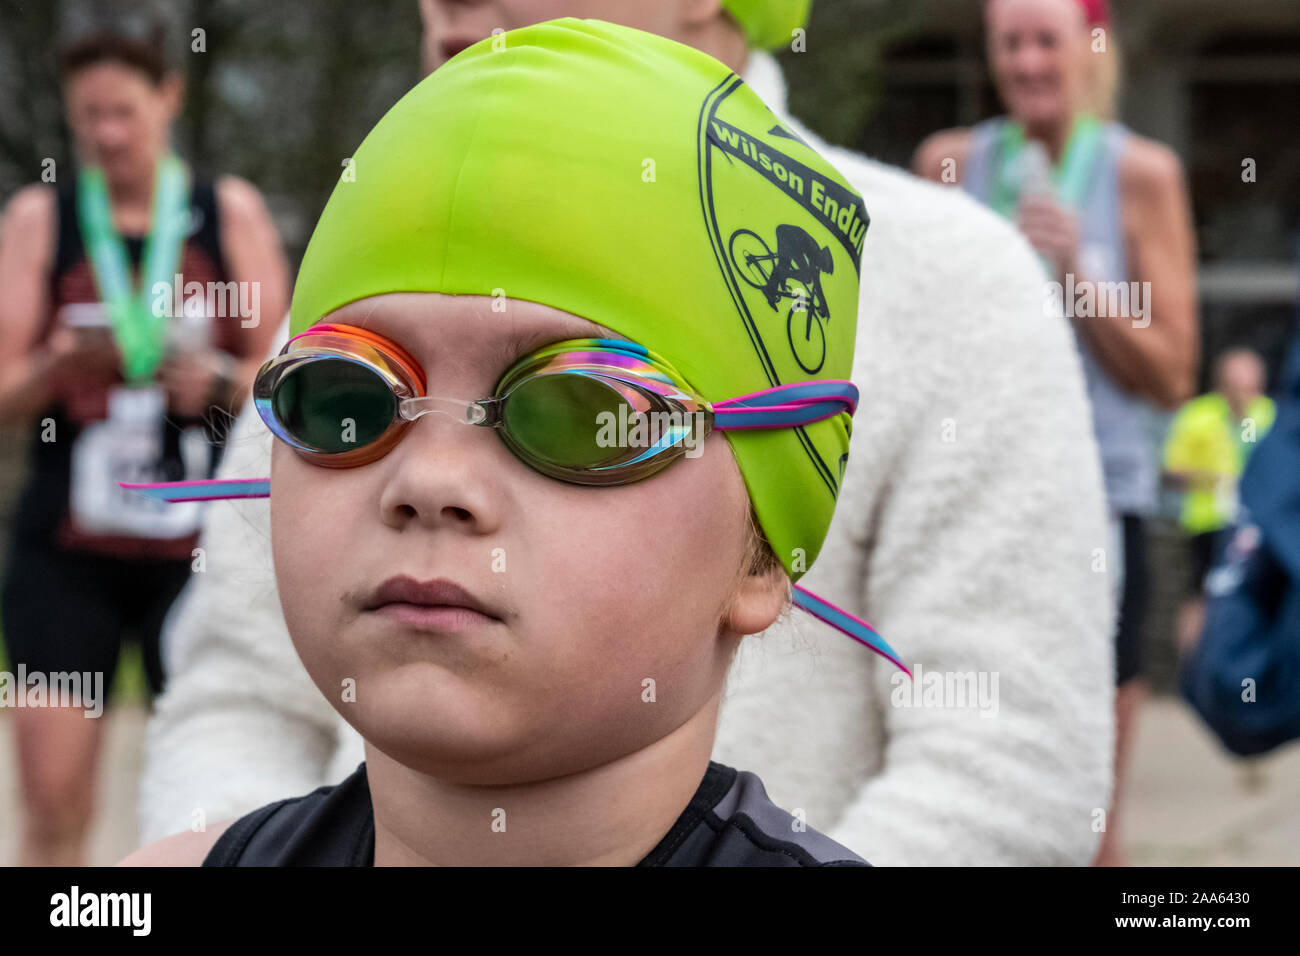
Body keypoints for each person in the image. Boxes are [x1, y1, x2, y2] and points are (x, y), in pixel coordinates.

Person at [138, 0, 1113, 867]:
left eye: (579, 415)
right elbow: (237, 686)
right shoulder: (376, 266)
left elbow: (1006, 758)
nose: (430, 473)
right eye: (345, 399)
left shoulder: (951, 275)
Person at [913, 0, 1198, 866]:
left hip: (1095, 514)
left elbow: (1173, 372)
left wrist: (1076, 273)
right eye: (1011, 42)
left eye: (1047, 40)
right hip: (974, 508)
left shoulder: (1139, 173)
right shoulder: (951, 164)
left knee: (1086, 822)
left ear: (1089, 49)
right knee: (961, 784)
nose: (1029, 61)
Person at [0, 25, 288, 866]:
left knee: (207, 810)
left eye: (123, 111)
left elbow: (284, 379)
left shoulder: (223, 210)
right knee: (54, 805)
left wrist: (215, 381)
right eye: (88, 115)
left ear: (169, 100)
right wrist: (58, 366)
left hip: (197, 558)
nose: (107, 134)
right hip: (67, 551)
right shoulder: (38, 216)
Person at [1163, 348, 1275, 653]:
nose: (1246, 395)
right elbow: (1169, 471)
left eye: (1252, 387)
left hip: (1257, 524)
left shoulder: (1271, 414)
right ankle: (1191, 676)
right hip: (1208, 521)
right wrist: (1208, 478)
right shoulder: (1198, 414)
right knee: (1200, 596)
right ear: (1222, 385)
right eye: (1238, 387)